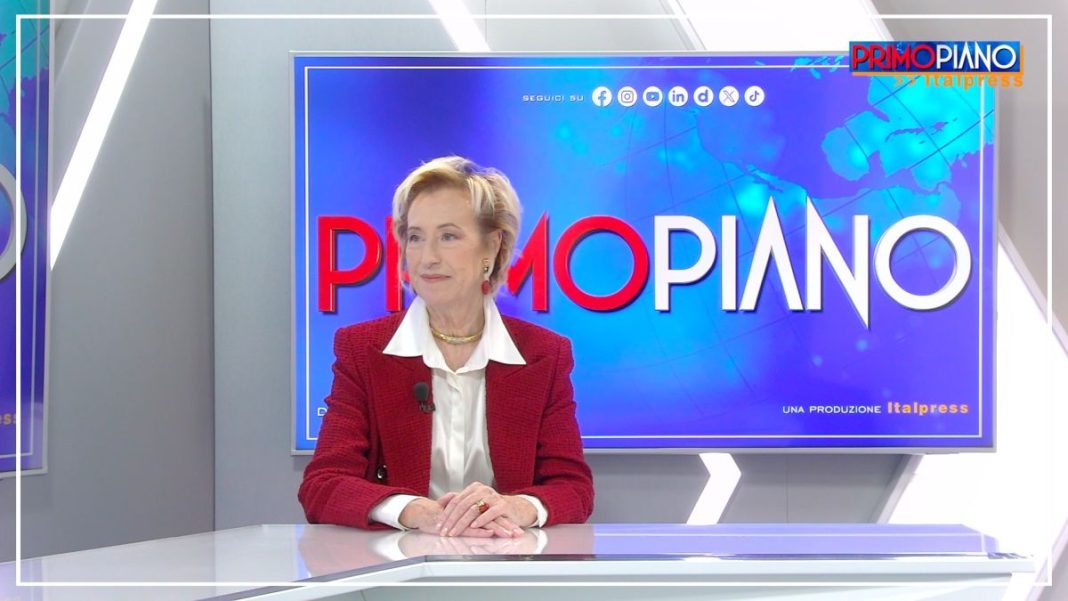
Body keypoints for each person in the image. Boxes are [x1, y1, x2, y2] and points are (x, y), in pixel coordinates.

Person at [298, 156, 594, 537]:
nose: (428, 258)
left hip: (509, 556)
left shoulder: (544, 355)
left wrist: (515, 507)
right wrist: (414, 511)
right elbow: (323, 485)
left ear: (491, 247)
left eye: (449, 236)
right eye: (415, 237)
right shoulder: (362, 349)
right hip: (400, 561)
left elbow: (573, 488)